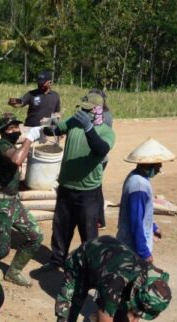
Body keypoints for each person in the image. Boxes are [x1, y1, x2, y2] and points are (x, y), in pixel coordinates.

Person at [41, 92, 116, 270]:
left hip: (88, 192)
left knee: (89, 233)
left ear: (99, 110)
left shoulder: (106, 132)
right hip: (66, 187)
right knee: (61, 228)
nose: (83, 112)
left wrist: (89, 128)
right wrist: (47, 127)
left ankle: (88, 267)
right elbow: (55, 129)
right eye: (82, 108)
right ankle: (57, 260)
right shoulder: (74, 122)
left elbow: (100, 149)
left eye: (88, 109)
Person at [0, 113, 44, 286]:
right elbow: (17, 159)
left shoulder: (12, 145)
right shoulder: (1, 145)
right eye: (10, 128)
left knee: (35, 236)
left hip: (13, 202)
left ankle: (13, 272)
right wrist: (29, 139)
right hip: (0, 203)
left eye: (16, 127)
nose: (15, 130)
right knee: (1, 250)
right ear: (2, 131)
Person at [116, 138, 176, 262]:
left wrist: (152, 227)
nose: (160, 168)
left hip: (132, 245)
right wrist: (144, 253)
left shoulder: (137, 176)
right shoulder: (139, 186)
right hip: (133, 250)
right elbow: (136, 221)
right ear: (149, 164)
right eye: (158, 164)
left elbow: (141, 214)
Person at [88, 88, 114, 229]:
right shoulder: (103, 114)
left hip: (98, 158)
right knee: (95, 187)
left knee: (95, 188)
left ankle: (99, 220)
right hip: (98, 157)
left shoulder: (104, 116)